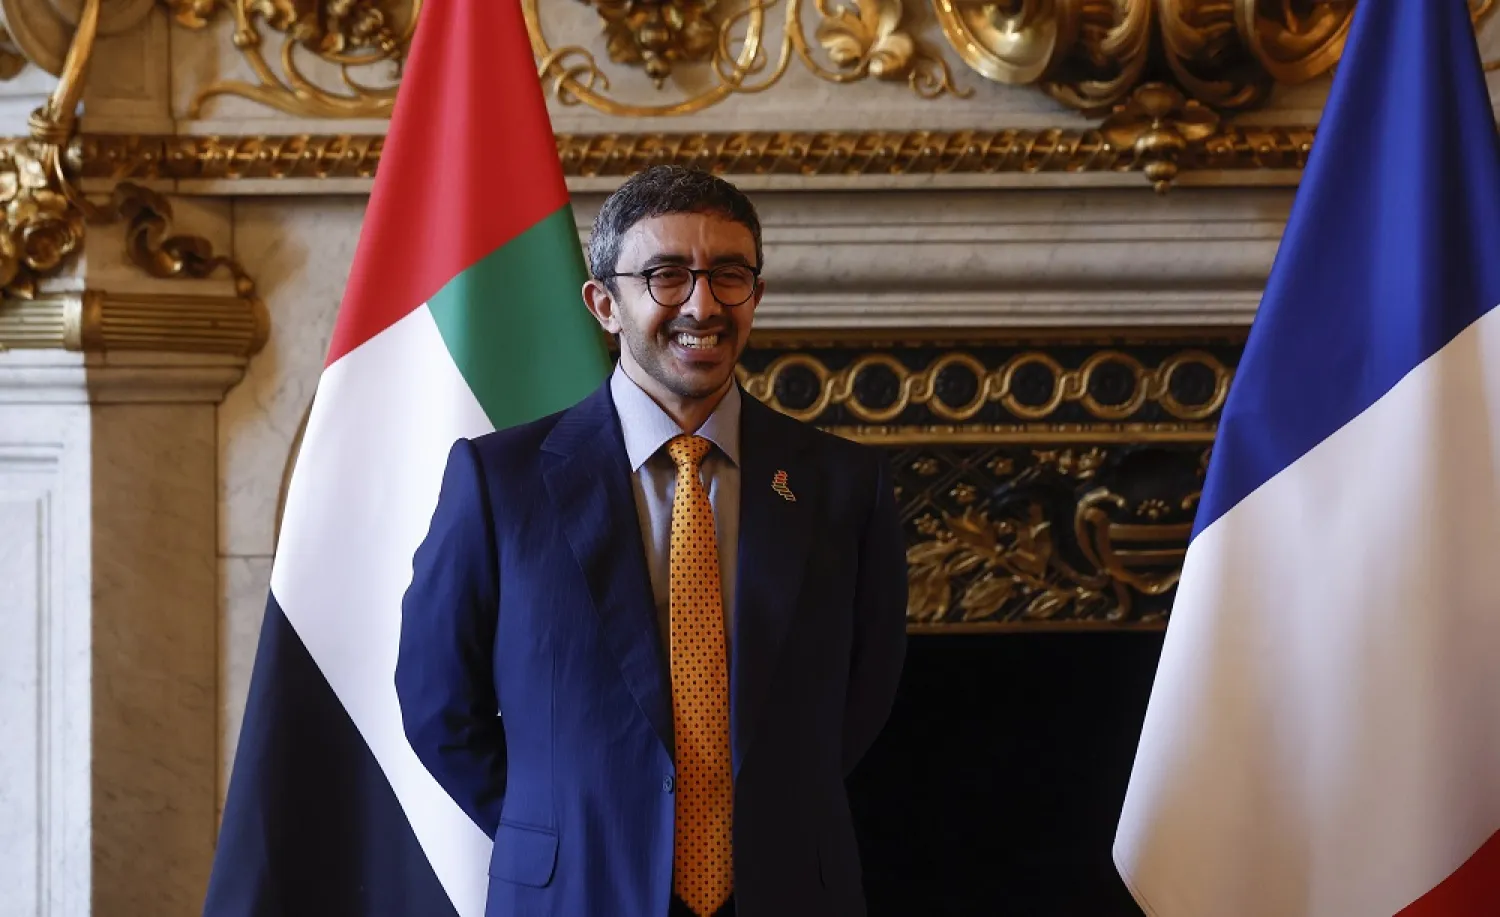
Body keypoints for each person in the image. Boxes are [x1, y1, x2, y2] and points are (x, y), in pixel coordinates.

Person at [395, 165, 909, 917]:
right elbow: (437, 704)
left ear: (756, 294)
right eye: (666, 275)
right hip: (576, 892)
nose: (703, 304)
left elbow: (866, 692)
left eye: (729, 275)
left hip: (788, 888)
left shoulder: (844, 484)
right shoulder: (498, 482)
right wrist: (566, 828)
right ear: (605, 304)